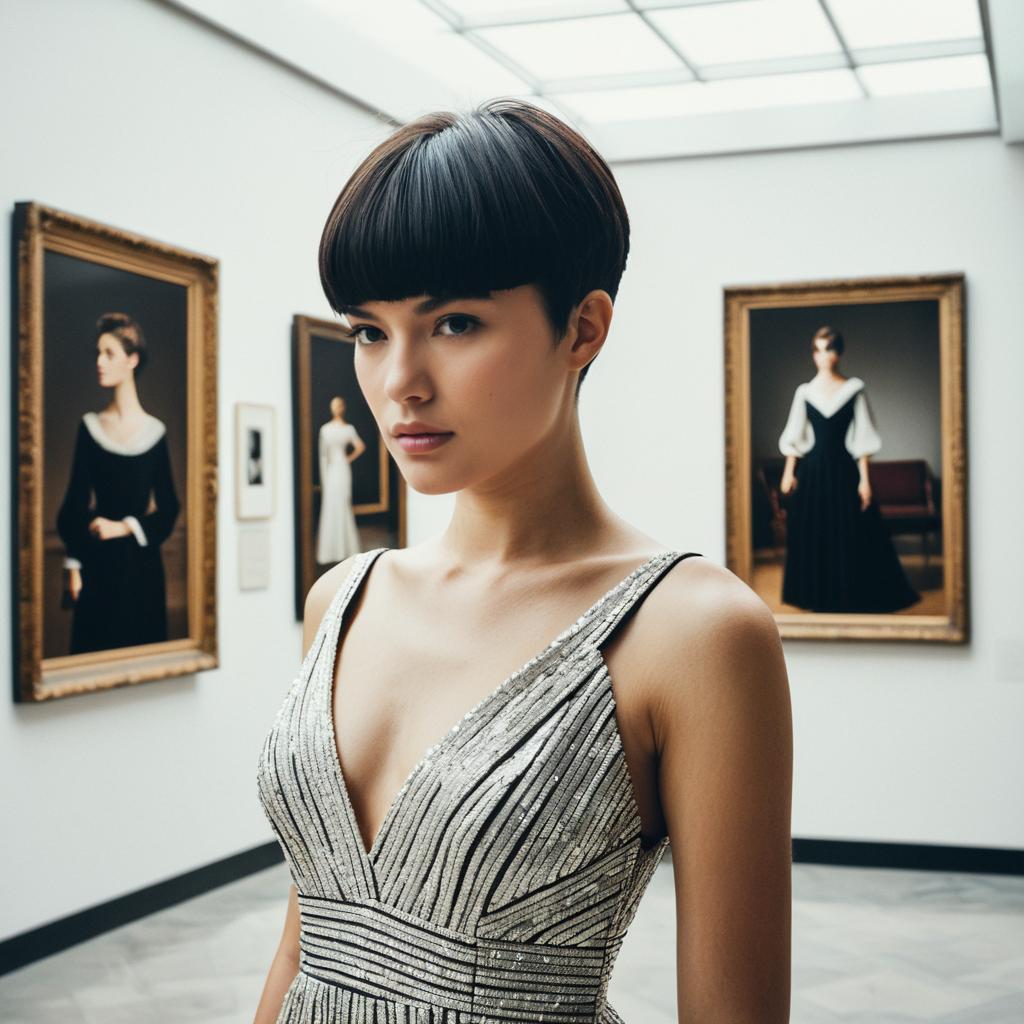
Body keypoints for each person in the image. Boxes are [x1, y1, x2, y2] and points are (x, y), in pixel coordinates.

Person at [255, 100, 792, 1024]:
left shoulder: (695, 633)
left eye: (455, 324)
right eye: (370, 331)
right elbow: (313, 937)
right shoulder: (341, 599)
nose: (399, 382)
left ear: (582, 329)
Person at [56, 312, 180, 654]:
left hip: (143, 571)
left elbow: (169, 508)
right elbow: (73, 505)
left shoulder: (155, 432)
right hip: (98, 566)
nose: (99, 362)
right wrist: (73, 564)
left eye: (109, 353)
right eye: (98, 353)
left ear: (132, 359)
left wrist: (124, 527)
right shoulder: (90, 426)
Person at [778, 326, 920, 613]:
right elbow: (795, 434)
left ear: (839, 353)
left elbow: (863, 438)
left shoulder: (854, 389)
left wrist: (865, 481)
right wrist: (789, 472)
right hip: (813, 472)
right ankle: (816, 594)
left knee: (850, 532)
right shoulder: (805, 392)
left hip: (843, 470)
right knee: (815, 531)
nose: (823, 356)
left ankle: (849, 592)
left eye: (829, 349)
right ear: (813, 354)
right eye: (818, 350)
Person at [315, 396, 365, 564]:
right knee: (331, 504)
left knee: (343, 503)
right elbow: (323, 454)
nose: (337, 408)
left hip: (342, 468)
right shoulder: (325, 429)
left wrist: (347, 459)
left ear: (343, 408)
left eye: (339, 405)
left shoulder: (348, 429)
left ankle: (345, 548)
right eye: (334, 405)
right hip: (332, 470)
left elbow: (360, 446)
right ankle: (331, 550)